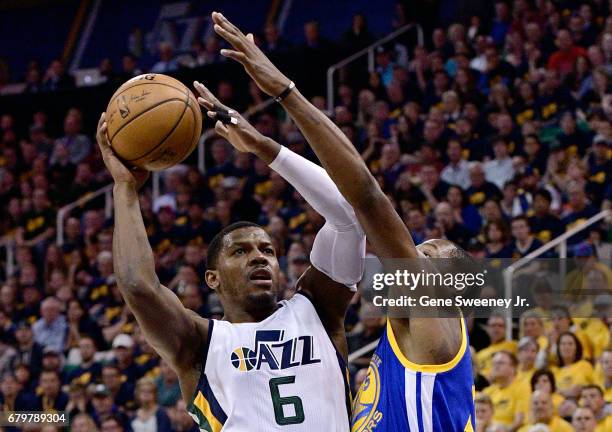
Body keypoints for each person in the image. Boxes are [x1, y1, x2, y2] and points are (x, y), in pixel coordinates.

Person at [209, 11, 475, 431]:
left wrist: (285, 92)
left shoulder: (437, 330)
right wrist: (262, 146)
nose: (408, 256)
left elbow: (365, 199)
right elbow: (349, 212)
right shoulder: (393, 356)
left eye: (426, 256)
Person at [97, 53, 366, 432]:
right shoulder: (200, 344)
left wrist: (263, 147)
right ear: (212, 279)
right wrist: (125, 189)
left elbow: (349, 215)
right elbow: (139, 286)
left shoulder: (317, 310)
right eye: (240, 251)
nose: (259, 257)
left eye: (267, 250)